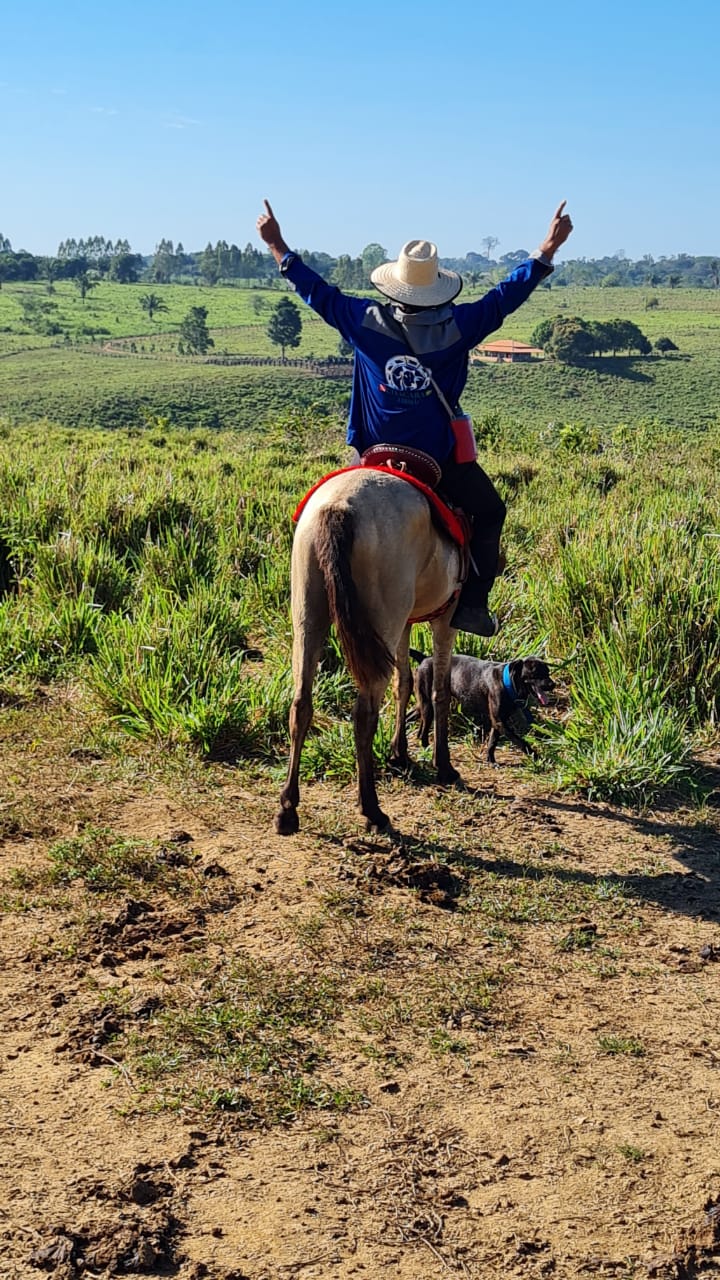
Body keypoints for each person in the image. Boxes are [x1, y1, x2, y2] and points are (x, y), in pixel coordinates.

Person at [256, 199, 573, 636]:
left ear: (393, 286)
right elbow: (505, 297)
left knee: (325, 511)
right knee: (491, 511)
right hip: (436, 464)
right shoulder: (463, 325)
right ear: (438, 288)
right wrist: (546, 250)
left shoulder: (361, 319)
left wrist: (278, 246)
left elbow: (316, 291)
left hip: (371, 457)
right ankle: (473, 606)